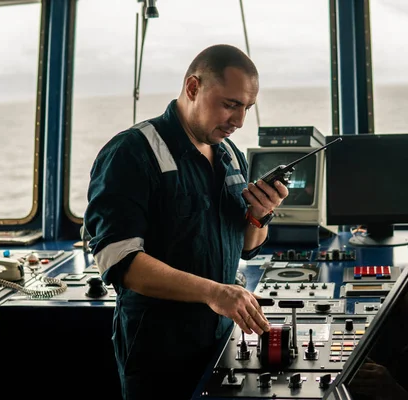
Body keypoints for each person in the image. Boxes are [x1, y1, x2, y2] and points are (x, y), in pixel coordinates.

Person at [83, 44, 289, 400]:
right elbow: (119, 261)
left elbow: (245, 246)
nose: (239, 122)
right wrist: (216, 293)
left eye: (247, 108)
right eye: (230, 105)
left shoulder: (229, 154)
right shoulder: (131, 152)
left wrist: (259, 216)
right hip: (159, 350)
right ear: (193, 88)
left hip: (218, 338)